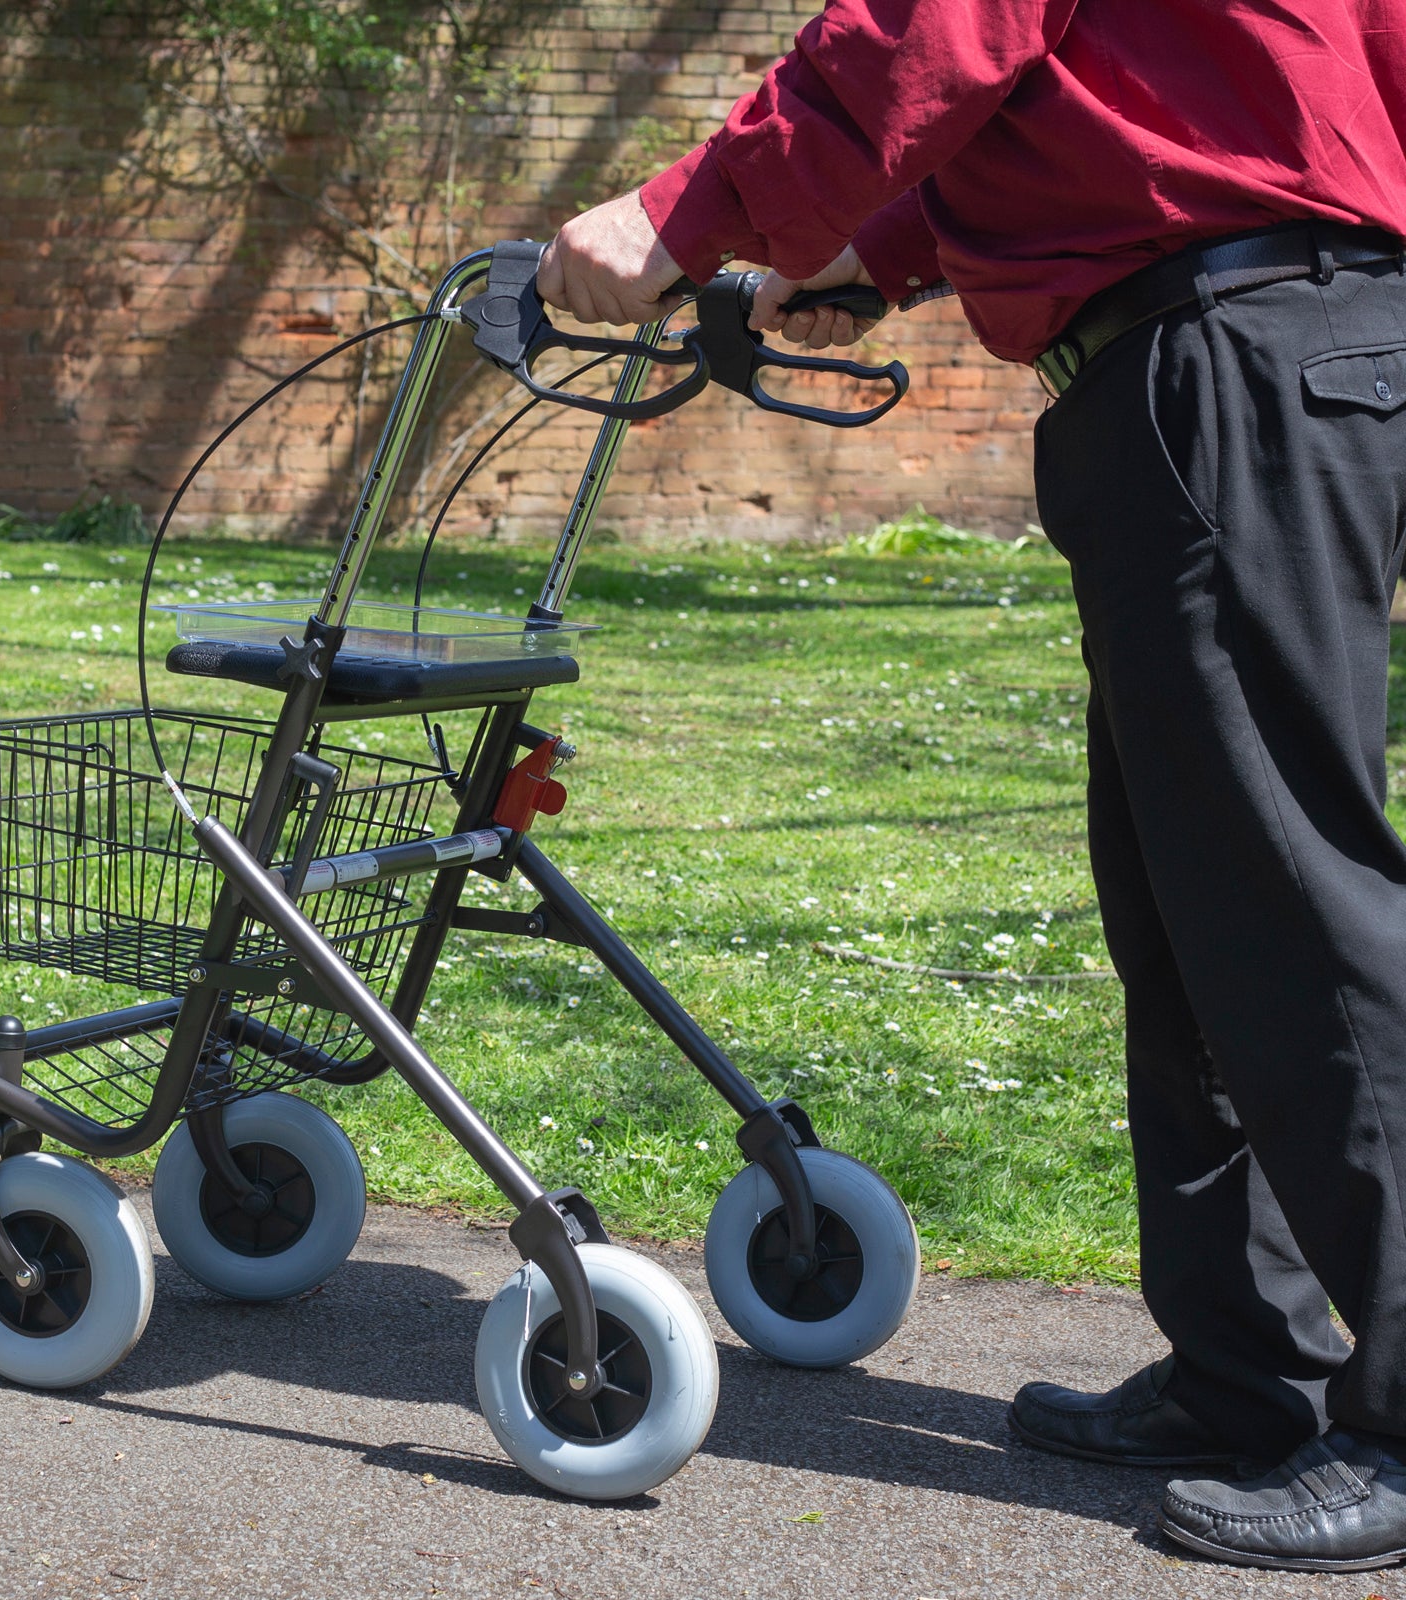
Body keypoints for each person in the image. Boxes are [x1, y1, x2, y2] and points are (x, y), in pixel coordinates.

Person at [535, 0, 1406, 1573]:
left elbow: (924, 45)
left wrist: (673, 214)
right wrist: (878, 253)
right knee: (1190, 903)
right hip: (1263, 349)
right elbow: (1096, 108)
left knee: (1287, 903)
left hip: (1223, 352)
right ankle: (1246, 1374)